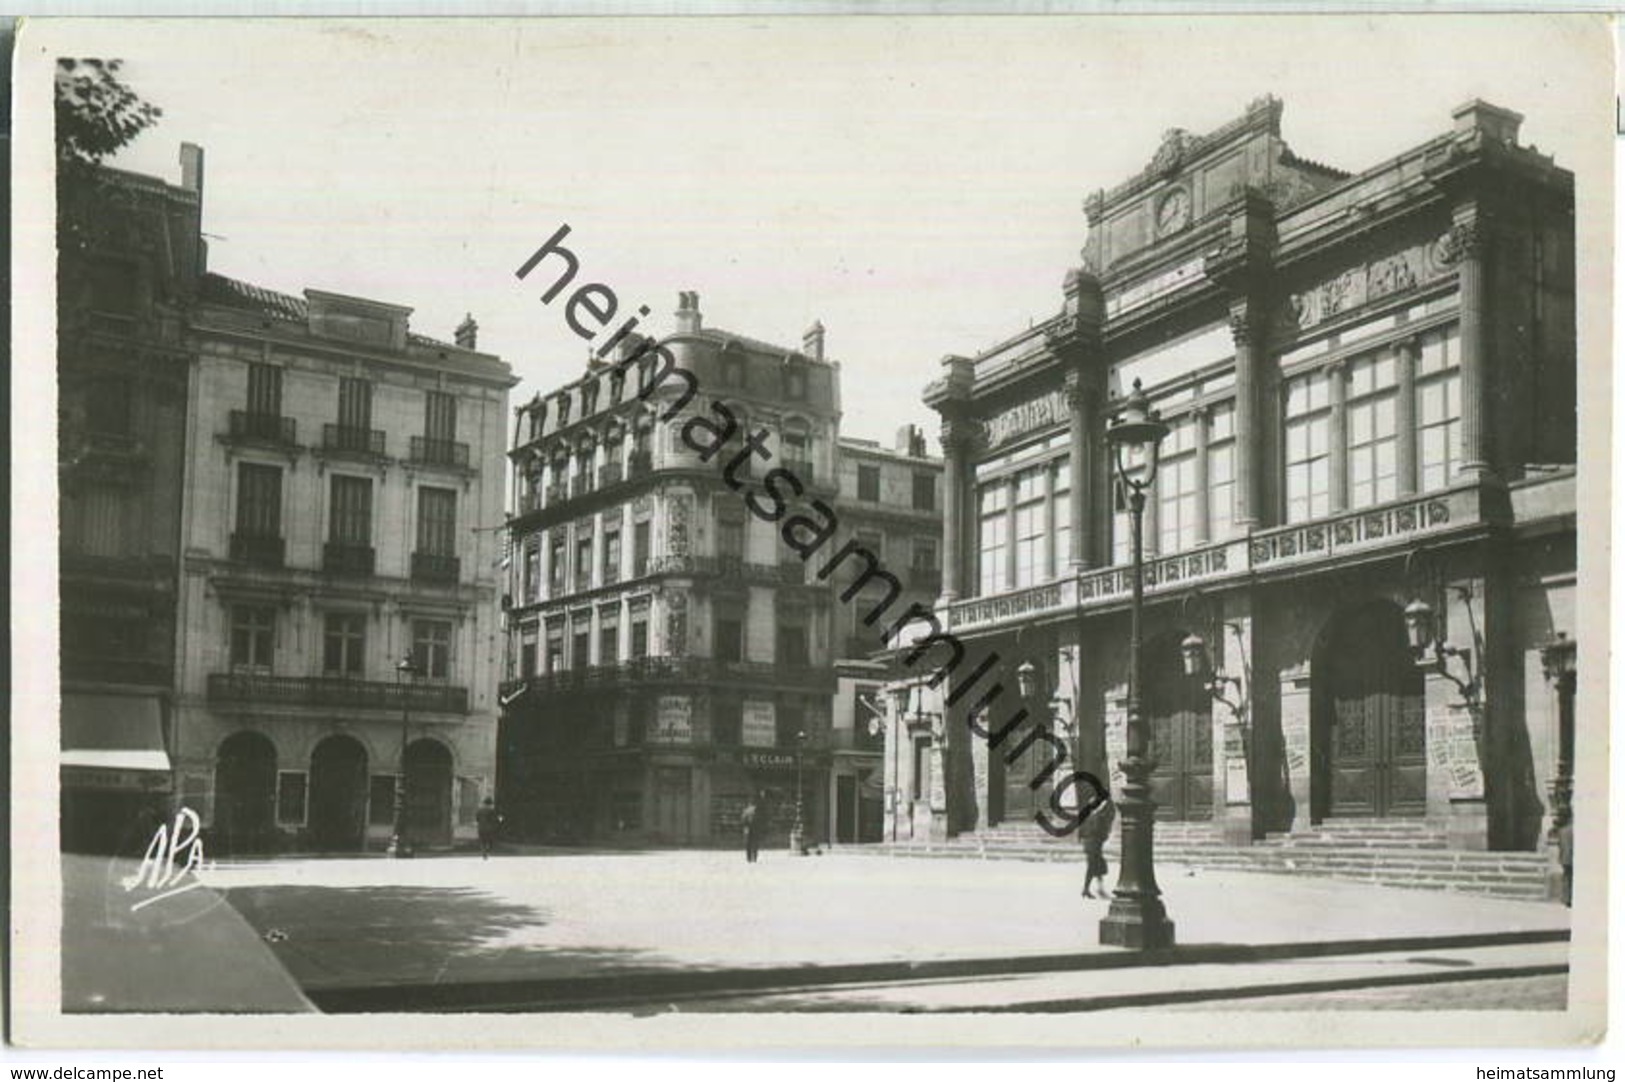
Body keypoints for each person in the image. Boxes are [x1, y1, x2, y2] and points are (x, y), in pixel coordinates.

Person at [1079, 794, 1117, 899]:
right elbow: (1097, 830)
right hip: (1094, 845)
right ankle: (1089, 889)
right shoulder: (1098, 816)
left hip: (1089, 845)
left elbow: (1081, 832)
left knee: (1097, 866)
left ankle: (1096, 889)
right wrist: (1104, 836)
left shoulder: (1087, 816)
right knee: (1093, 867)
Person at [741, 793, 764, 864]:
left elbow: (742, 820)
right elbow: (760, 820)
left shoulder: (746, 810)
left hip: (747, 829)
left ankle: (748, 858)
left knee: (748, 844)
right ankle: (754, 858)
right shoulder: (757, 810)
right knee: (755, 844)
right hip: (755, 829)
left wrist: (745, 827)